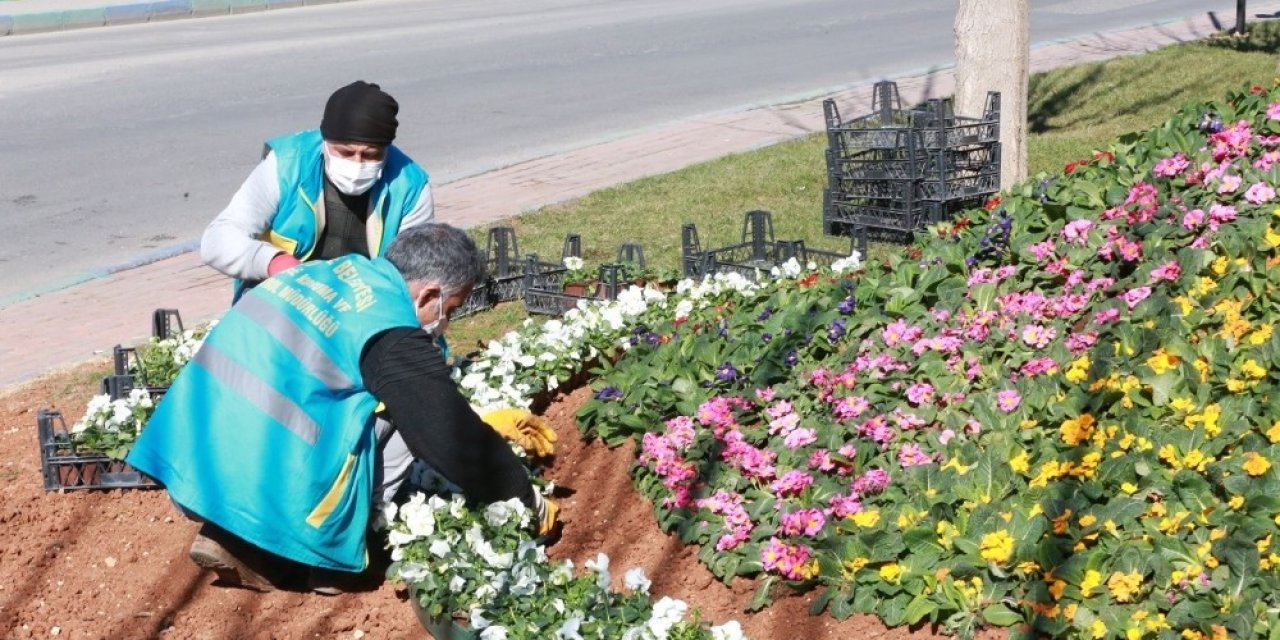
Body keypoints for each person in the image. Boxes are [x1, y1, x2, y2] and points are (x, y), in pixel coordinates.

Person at [126, 223, 557, 594]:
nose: (445, 321)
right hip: (258, 486)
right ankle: (313, 555)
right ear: (430, 293)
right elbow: (449, 437)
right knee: (404, 420)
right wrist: (523, 499)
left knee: (371, 401)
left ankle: (231, 534)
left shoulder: (325, 273)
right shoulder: (388, 325)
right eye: (453, 307)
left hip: (190, 463)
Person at [201, 80, 435, 302]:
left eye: (371, 155)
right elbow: (218, 240)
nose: (358, 163)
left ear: (387, 150)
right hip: (281, 298)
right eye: (345, 152)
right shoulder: (287, 165)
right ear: (325, 141)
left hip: (364, 306)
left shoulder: (410, 186)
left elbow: (413, 274)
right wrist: (274, 262)